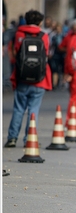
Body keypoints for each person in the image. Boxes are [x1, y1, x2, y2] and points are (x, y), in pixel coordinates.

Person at [4, 9, 52, 148]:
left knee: (18, 108)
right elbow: (47, 54)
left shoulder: (19, 33)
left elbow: (15, 52)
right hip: (39, 78)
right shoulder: (44, 35)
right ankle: (29, 139)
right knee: (33, 110)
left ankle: (12, 138)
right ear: (40, 22)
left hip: (22, 77)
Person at [49, 22, 65, 89]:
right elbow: (51, 46)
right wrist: (50, 53)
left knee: (62, 69)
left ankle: (62, 83)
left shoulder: (64, 36)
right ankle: (54, 84)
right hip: (55, 54)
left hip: (63, 54)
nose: (58, 30)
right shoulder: (53, 36)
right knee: (55, 69)